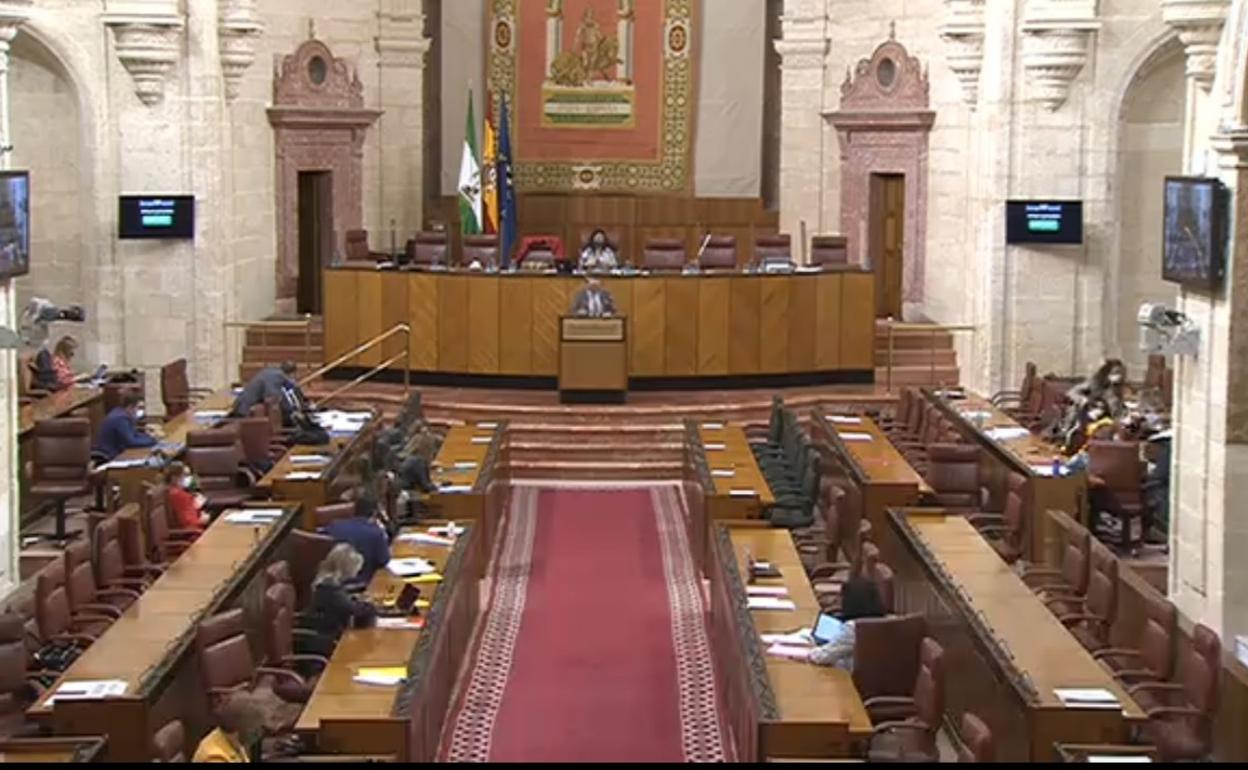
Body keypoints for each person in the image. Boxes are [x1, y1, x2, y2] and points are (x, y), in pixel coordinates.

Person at [807, 577, 886, 671]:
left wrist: (811, 649)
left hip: (852, 680)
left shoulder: (853, 628)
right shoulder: (891, 622)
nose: (838, 600)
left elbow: (821, 657)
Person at [308, 544, 378, 646]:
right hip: (330, 639)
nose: (357, 572)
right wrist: (372, 605)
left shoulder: (326, 580)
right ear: (347, 567)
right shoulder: (329, 587)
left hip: (330, 632)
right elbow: (354, 609)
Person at [323, 496, 391, 582]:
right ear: (375, 513)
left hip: (332, 583)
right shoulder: (376, 532)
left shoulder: (334, 525)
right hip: (362, 585)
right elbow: (383, 561)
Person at [232, 361, 305, 424]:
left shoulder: (272, 372)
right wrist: (291, 411)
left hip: (243, 406)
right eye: (294, 376)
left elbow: (289, 387)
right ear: (292, 373)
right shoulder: (276, 376)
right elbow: (273, 398)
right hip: (245, 410)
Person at [93, 392, 157, 461]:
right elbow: (131, 442)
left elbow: (134, 434)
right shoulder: (120, 418)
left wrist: (150, 437)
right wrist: (153, 441)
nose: (141, 411)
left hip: (119, 451)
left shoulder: (121, 413)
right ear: (130, 407)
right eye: (139, 408)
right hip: (110, 456)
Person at [164, 461, 208, 531]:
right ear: (174, 477)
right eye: (185, 475)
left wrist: (193, 503)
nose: (189, 478)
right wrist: (203, 519)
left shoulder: (170, 490)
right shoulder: (178, 495)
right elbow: (190, 524)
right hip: (194, 534)